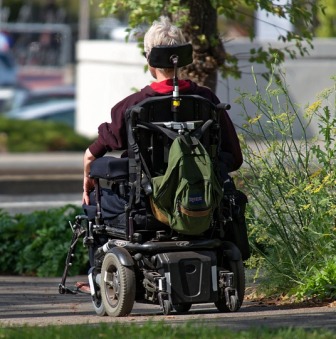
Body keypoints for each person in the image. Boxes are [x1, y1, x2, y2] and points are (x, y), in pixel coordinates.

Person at [82, 16, 243, 205]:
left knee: (95, 197)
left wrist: (87, 181)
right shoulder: (207, 101)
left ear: (149, 58)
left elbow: (91, 155)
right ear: (183, 57)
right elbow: (235, 158)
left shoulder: (132, 105)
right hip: (200, 202)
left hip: (144, 203)